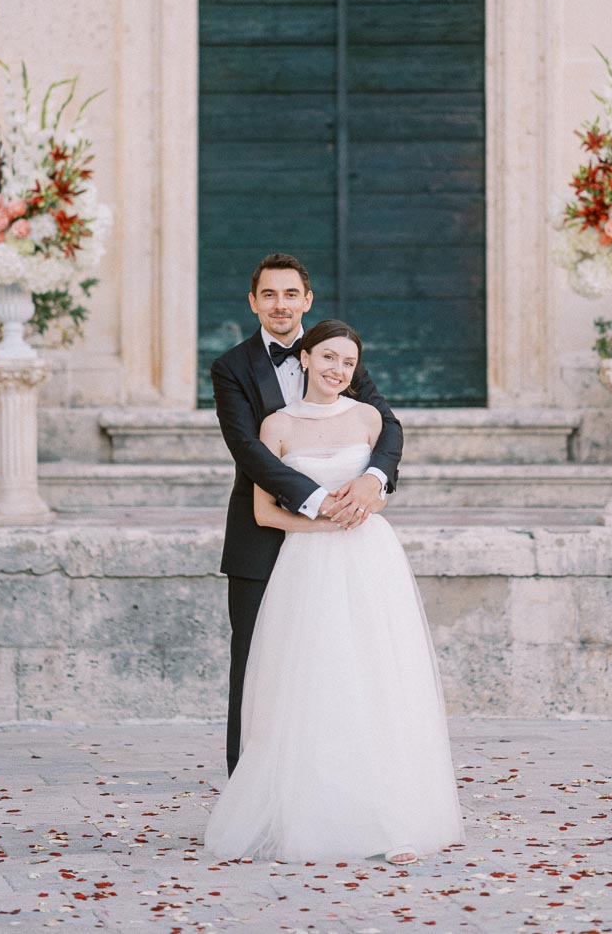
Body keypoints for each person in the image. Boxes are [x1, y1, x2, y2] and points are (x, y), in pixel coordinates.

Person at [205, 320, 463, 863]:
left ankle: (390, 818)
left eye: (347, 362)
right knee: (314, 681)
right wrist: (323, 523)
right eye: (327, 358)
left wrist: (369, 497)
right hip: (306, 564)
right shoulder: (274, 425)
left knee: (376, 678)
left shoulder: (369, 417)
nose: (337, 370)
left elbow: (384, 487)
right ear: (304, 359)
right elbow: (261, 511)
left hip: (370, 561)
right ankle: (308, 813)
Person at [211, 254, 403, 777]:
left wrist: (371, 479)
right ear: (253, 302)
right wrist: (322, 504)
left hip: (345, 546)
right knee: (256, 667)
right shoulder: (231, 368)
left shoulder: (334, 352)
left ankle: (335, 779)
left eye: (290, 294)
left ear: (307, 300)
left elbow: (387, 426)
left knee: (341, 665)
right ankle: (247, 788)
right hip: (264, 537)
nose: (280, 304)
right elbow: (248, 450)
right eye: (269, 295)